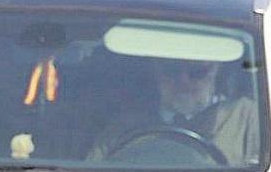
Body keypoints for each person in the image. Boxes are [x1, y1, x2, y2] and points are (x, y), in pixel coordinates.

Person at [88, 59, 258, 166]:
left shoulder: (246, 117)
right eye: (172, 70)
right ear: (156, 74)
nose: (183, 81)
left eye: (197, 72)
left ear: (216, 71)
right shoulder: (124, 127)